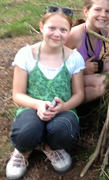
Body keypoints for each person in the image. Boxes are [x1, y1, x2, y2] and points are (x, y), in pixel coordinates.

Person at [6, 6, 85, 180]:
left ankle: (50, 146)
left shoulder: (73, 58)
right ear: (41, 27)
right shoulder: (26, 55)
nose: (57, 34)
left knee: (63, 130)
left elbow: (79, 94)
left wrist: (64, 106)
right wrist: (38, 104)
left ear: (69, 31)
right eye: (52, 28)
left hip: (62, 110)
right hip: (31, 109)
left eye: (63, 30)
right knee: (28, 130)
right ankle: (23, 150)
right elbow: (17, 95)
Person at [65, 0, 109, 104]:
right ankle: (70, 105)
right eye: (97, 10)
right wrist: (83, 69)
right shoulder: (74, 35)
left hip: (85, 74)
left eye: (107, 11)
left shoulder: (103, 33)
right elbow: (55, 66)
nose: (103, 15)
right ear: (86, 11)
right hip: (68, 79)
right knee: (103, 82)